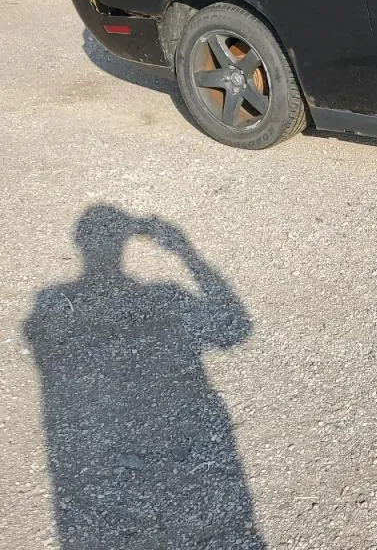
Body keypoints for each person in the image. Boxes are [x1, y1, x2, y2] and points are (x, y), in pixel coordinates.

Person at [24, 205, 264, 549]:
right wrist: (186, 253)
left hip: (87, 463)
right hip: (170, 444)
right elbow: (235, 330)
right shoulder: (165, 294)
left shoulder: (46, 304)